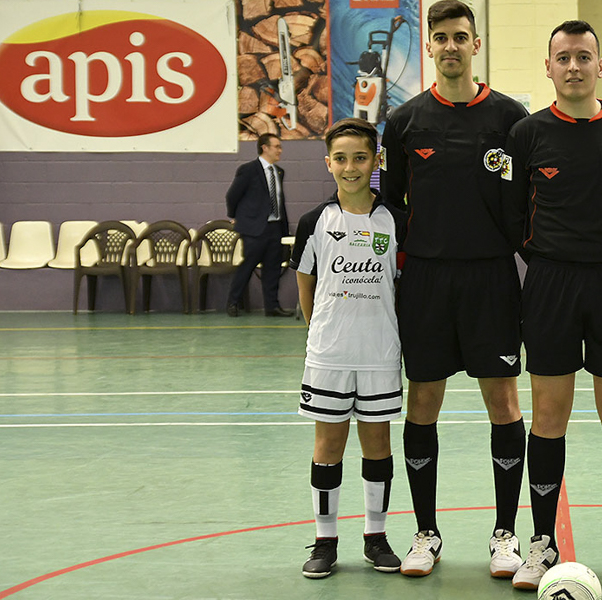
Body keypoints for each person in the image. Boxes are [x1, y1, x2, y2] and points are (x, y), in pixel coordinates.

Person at [501, 19, 602, 590]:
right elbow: (513, 214)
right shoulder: (528, 133)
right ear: (548, 67)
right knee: (549, 415)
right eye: (562, 57)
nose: (573, 66)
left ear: (600, 64)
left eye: (583, 56)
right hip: (549, 286)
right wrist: (550, 257)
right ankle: (541, 543)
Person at [379, 0, 530, 580]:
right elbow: (389, 202)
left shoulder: (510, 119)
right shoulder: (405, 122)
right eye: (439, 37)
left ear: (476, 45)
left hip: (492, 278)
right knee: (422, 402)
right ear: (429, 45)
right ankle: (425, 533)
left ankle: (505, 536)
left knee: (504, 403)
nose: (450, 46)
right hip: (427, 281)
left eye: (460, 37)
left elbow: (526, 202)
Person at [290, 118, 407, 579]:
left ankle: (376, 538)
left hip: (380, 353)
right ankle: (324, 540)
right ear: (328, 163)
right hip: (330, 355)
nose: (350, 167)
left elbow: (401, 284)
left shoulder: (394, 219)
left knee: (378, 446)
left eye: (360, 157)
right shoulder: (313, 222)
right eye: (340, 158)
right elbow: (305, 286)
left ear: (376, 161)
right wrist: (324, 331)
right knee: (328, 446)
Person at [224, 133, 295, 317]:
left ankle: (272, 306)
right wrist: (235, 216)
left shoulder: (279, 172)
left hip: (274, 227)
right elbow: (232, 196)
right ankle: (233, 303)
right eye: (277, 146)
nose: (280, 150)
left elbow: (279, 199)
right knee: (248, 265)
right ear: (265, 147)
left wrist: (284, 227)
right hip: (254, 228)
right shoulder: (248, 170)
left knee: (273, 268)